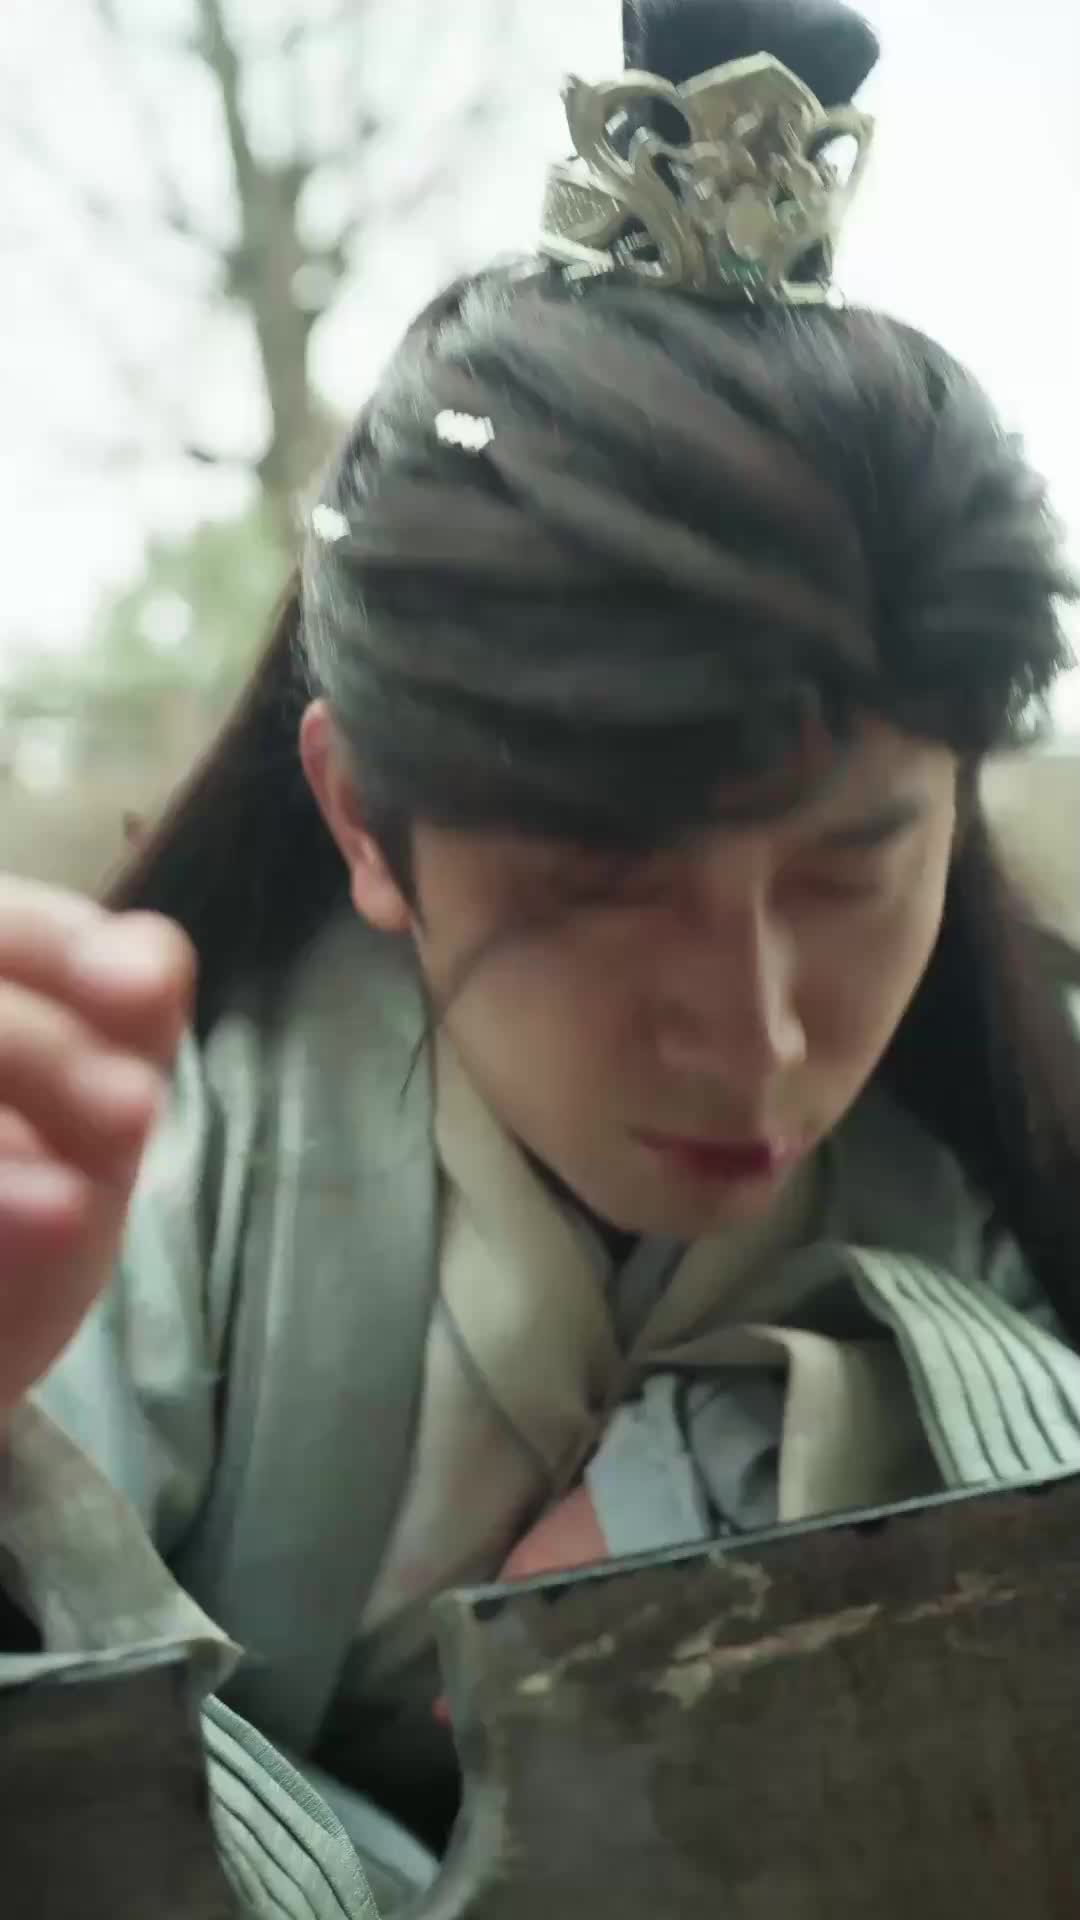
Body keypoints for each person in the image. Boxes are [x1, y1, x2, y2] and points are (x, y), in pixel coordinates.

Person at [2, 0, 1080, 1910]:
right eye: (602, 885)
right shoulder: (151, 1195)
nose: (758, 1036)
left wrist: (792, 1429)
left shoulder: (1010, 1138)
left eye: (857, 868)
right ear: (361, 818)